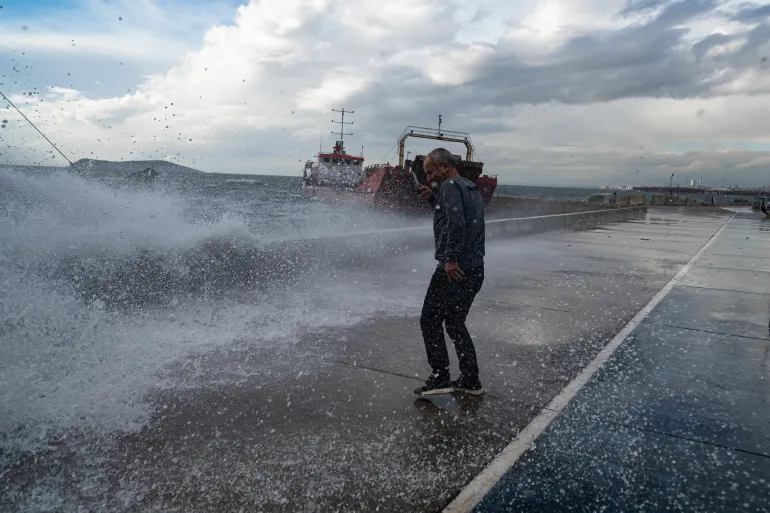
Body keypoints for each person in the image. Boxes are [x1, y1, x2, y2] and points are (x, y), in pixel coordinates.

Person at [414, 148, 486, 396]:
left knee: (429, 319)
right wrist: (432, 200)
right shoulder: (468, 186)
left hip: (454, 269)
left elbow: (457, 224)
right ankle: (470, 379)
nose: (428, 176)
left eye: (430, 171)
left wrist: (451, 260)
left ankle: (440, 376)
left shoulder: (449, 186)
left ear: (444, 166)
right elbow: (458, 215)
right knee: (454, 323)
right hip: (475, 269)